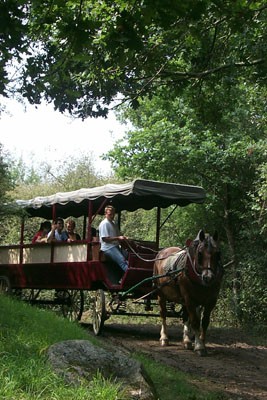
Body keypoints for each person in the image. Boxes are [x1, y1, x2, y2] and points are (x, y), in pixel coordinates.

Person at [98, 205, 129, 272]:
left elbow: (119, 235)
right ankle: (132, 279)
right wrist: (118, 238)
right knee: (123, 261)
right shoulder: (104, 223)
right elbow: (105, 239)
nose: (112, 216)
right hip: (108, 248)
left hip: (115, 246)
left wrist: (124, 237)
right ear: (105, 214)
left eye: (113, 214)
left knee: (129, 255)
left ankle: (123, 277)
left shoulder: (113, 223)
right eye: (110, 214)